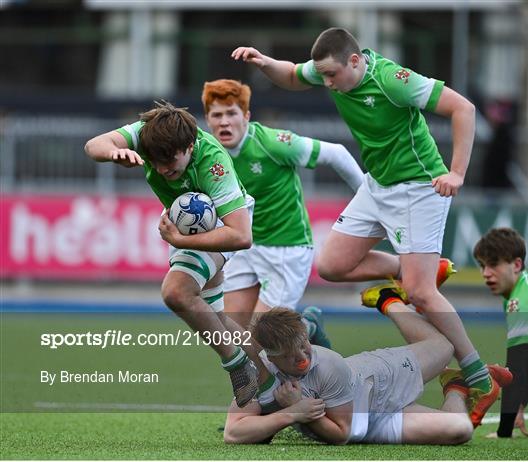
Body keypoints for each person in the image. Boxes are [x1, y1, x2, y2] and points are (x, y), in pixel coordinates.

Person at [232, 27, 499, 420]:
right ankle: (412, 270)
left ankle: (479, 377)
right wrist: (264, 62)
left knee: (422, 294)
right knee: (332, 266)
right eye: (322, 76)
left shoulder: (393, 80)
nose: (327, 83)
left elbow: (465, 109)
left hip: (418, 188)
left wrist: (457, 172)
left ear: (355, 61)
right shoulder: (331, 69)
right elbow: (291, 75)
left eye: (331, 76)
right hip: (377, 186)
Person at [84, 100, 259, 407]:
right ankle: (280, 363)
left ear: (189, 146)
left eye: (171, 164)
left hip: (224, 223)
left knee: (176, 292)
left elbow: (241, 235)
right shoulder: (151, 134)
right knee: (216, 320)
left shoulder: (213, 164)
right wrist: (114, 153)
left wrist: (180, 240)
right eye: (156, 163)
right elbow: (93, 145)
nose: (164, 171)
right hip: (188, 227)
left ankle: (237, 364)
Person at [223, 292, 512, 445]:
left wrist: (296, 409)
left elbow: (341, 433)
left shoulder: (329, 365)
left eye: (304, 345)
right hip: (373, 421)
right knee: (461, 430)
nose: (303, 357)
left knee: (445, 346)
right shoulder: (259, 374)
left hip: (382, 378)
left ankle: (390, 300)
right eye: (290, 355)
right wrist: (290, 413)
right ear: (271, 357)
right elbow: (233, 433)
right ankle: (457, 388)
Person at [201, 78, 364, 344]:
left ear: (246, 116)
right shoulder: (208, 152)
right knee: (230, 333)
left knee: (261, 337)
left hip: (286, 249)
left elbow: (338, 154)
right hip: (243, 246)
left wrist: (367, 200)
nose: (224, 122)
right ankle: (304, 330)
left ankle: (308, 328)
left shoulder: (273, 143)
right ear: (208, 120)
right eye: (217, 115)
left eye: (231, 113)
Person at [474, 227, 528, 438]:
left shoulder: (521, 300)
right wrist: (519, 409)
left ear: (517, 265)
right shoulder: (520, 292)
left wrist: (504, 431)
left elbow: (516, 372)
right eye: (483, 266)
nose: (485, 273)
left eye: (493, 265)